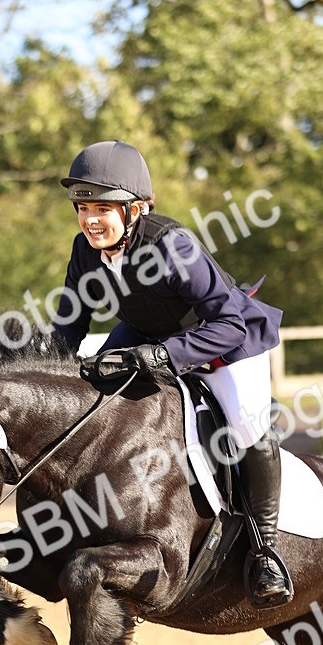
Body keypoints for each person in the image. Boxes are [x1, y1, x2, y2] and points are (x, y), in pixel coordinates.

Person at [53, 139, 291, 608]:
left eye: (104, 207)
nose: (90, 219)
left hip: (224, 340)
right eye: (83, 207)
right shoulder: (85, 251)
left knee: (246, 425)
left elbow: (229, 322)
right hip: (149, 333)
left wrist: (163, 356)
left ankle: (266, 551)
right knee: (89, 391)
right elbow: (67, 331)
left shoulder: (172, 246)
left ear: (137, 209)